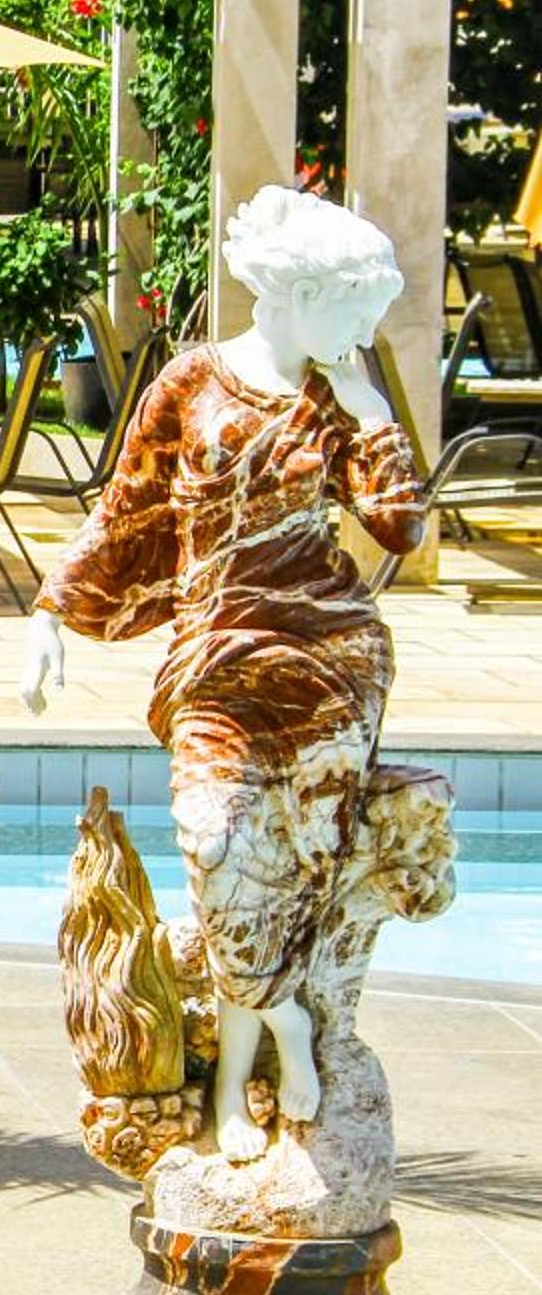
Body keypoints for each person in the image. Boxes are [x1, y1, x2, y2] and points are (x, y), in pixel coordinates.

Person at [22, 186, 425, 1162]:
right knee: (215, 846)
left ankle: (243, 1085)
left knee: (297, 873)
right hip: (215, 663)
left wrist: (373, 411)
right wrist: (50, 613)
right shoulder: (192, 381)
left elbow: (399, 526)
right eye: (356, 309)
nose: (364, 334)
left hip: (330, 664)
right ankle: (286, 1025)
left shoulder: (340, 399)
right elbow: (126, 506)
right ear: (300, 293)